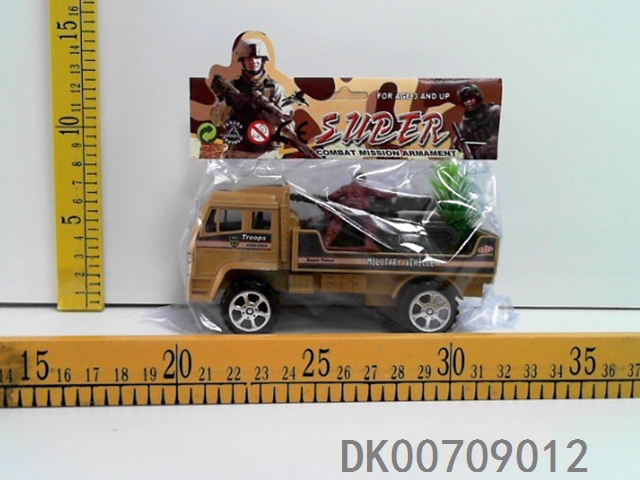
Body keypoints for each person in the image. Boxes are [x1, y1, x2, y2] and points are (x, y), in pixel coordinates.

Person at [210, 38, 293, 159]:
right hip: (237, 153)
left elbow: (288, 125)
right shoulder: (232, 87)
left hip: (266, 154)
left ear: (263, 60)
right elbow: (216, 120)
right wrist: (228, 103)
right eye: (248, 58)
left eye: (257, 57)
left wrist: (267, 117)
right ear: (242, 61)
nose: (253, 61)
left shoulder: (275, 89)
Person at [322, 177, 395, 251]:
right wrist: (392, 194)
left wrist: (324, 200)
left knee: (336, 223)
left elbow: (333, 196)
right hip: (360, 210)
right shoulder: (365, 187)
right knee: (370, 225)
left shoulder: (347, 187)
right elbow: (380, 194)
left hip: (348, 209)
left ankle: (327, 242)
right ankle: (369, 243)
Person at [455, 84, 501, 159]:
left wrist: (484, 149)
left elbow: (501, 135)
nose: (469, 102)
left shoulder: (494, 111)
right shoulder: (464, 125)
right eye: (465, 100)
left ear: (477, 98)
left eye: (471, 98)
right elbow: (456, 147)